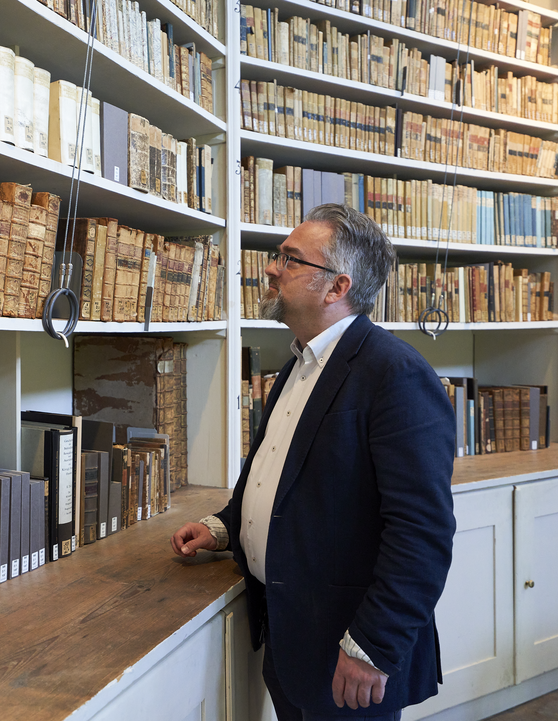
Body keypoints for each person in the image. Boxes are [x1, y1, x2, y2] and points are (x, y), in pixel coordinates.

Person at [171, 204, 456, 721]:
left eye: (291, 259)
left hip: (348, 657)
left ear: (336, 287)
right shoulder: (299, 364)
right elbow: (282, 478)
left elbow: (423, 533)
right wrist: (223, 527)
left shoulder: (395, 374)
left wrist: (371, 646)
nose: (272, 268)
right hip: (289, 640)